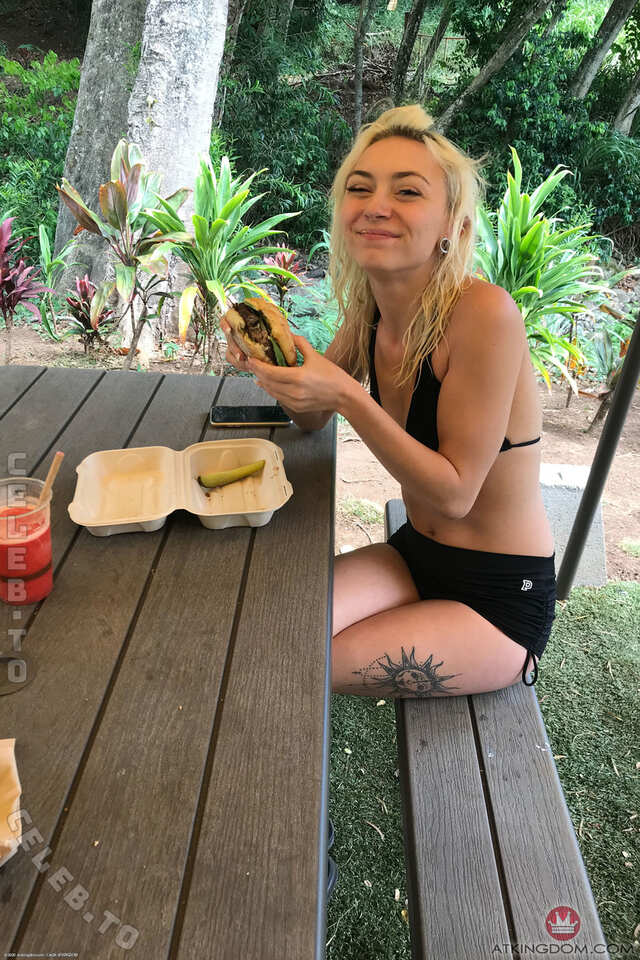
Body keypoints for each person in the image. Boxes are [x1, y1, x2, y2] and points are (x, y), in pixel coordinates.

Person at [221, 104, 556, 699]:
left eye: (407, 191)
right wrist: (278, 365)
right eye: (360, 188)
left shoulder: (484, 314)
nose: (376, 205)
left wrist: (348, 395)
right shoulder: (372, 311)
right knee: (268, 628)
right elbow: (312, 417)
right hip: (414, 555)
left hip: (497, 599)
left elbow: (455, 494)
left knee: (294, 664)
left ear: (450, 222)